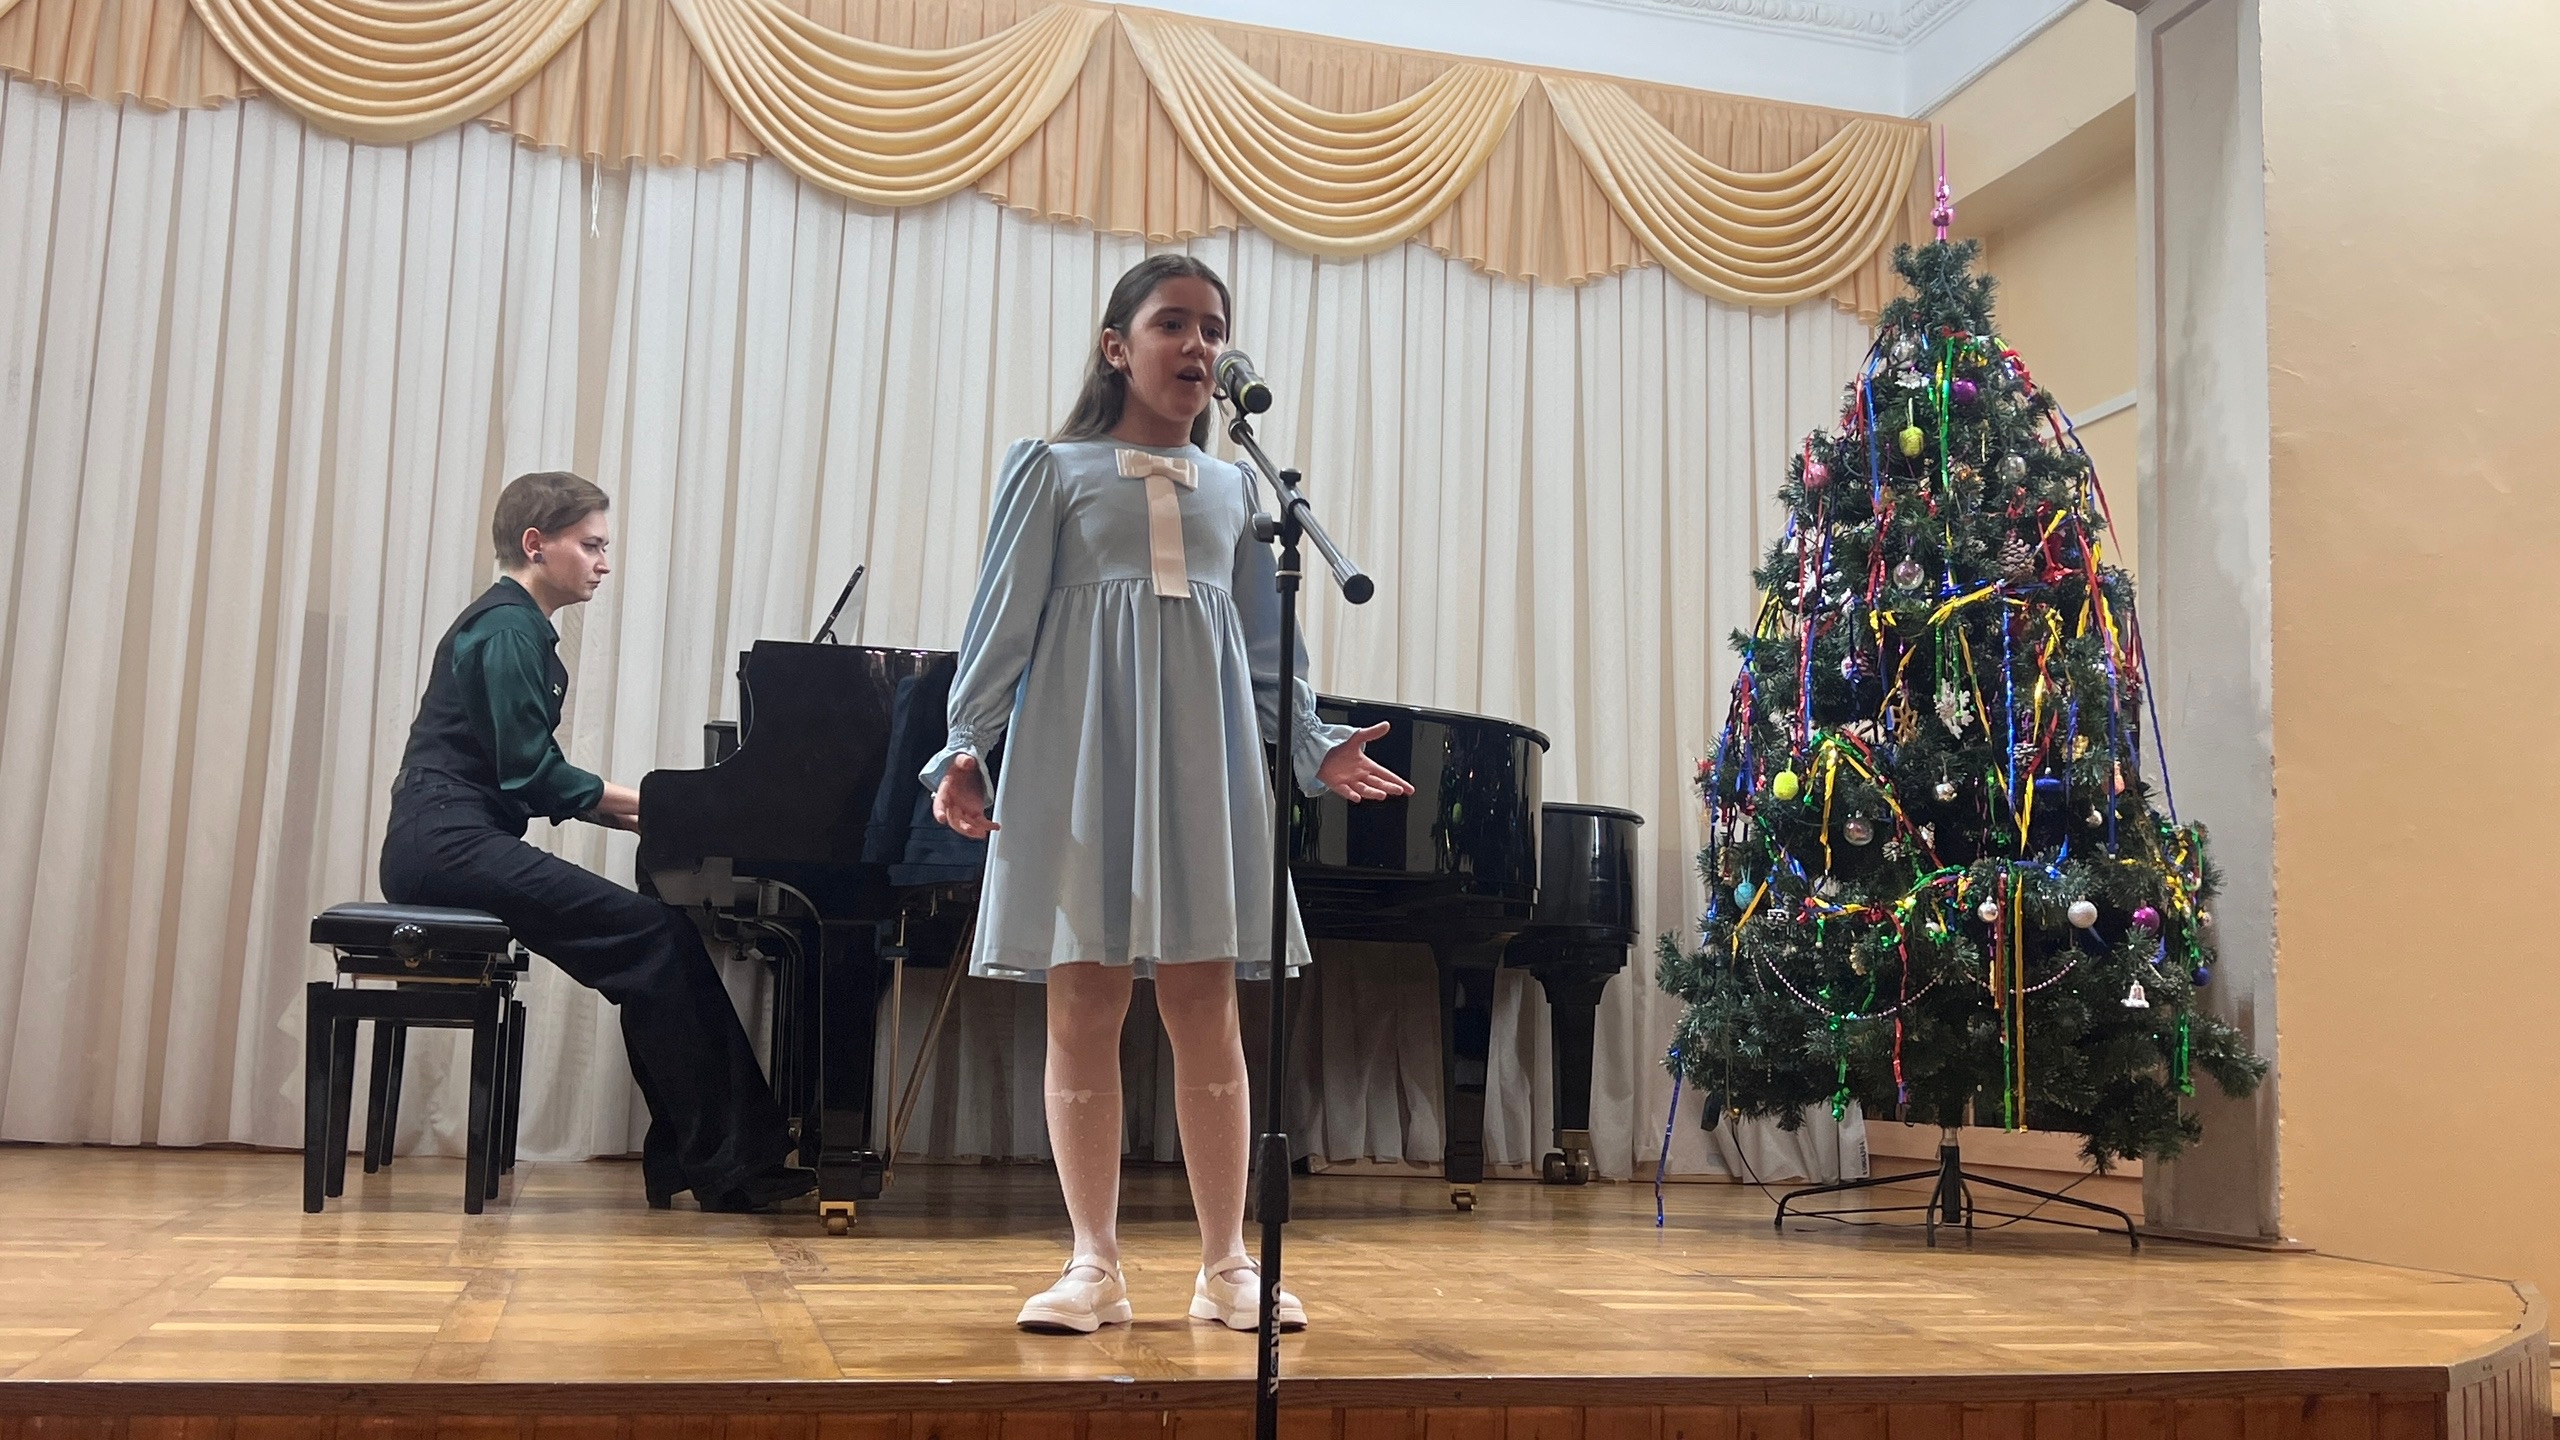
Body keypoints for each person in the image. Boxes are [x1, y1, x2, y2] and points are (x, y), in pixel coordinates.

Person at [924, 256, 1413, 1334]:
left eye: (1213, 328)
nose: (1198, 346)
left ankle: (1226, 1264)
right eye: (1172, 325)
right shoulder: (1050, 469)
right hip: (1076, 757)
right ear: (1117, 347)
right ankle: (1091, 1263)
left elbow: (1267, 651)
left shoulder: (1241, 491)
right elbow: (1000, 622)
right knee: (1083, 1001)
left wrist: (1312, 744)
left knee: (1206, 1002)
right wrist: (963, 745)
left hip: (1204, 760)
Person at [379, 471, 810, 1213]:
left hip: (448, 836)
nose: (604, 564)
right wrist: (665, 806)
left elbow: (533, 781)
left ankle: (699, 1159)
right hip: (446, 842)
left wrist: (659, 815)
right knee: (655, 937)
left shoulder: (515, 627)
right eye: (591, 545)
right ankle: (725, 1165)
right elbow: (533, 774)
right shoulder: (507, 628)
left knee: (655, 941)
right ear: (535, 544)